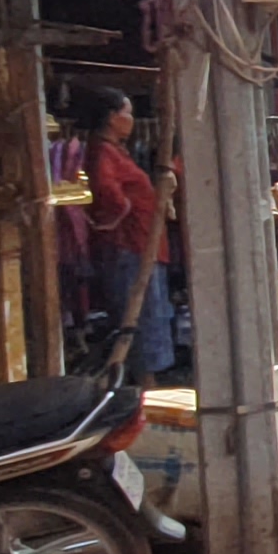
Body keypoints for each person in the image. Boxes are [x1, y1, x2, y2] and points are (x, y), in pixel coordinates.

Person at [71, 87, 179, 380]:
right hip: (128, 246)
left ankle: (147, 383)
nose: (131, 120)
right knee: (141, 320)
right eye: (127, 113)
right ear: (112, 118)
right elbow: (107, 193)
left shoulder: (116, 151)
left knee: (151, 316)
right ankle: (144, 385)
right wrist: (129, 207)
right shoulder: (102, 153)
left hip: (141, 243)